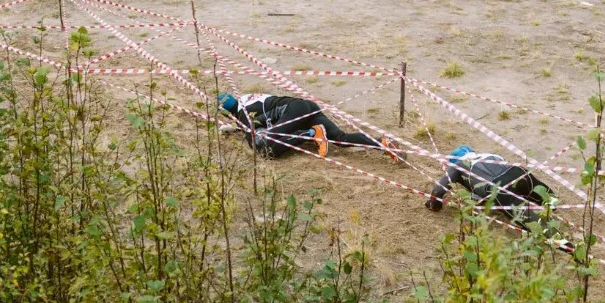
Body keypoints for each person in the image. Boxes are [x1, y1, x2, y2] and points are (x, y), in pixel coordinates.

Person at [218, 92, 399, 160]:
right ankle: (383, 143)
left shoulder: (243, 116)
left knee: (265, 150)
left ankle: (311, 133)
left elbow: (255, 140)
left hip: (293, 112)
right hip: (305, 106)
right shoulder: (246, 98)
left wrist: (242, 130)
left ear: (226, 113)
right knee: (341, 139)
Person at [425, 145, 555, 227]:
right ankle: (553, 204)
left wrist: (434, 204)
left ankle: (555, 237)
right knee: (545, 196)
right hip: (517, 172)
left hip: (496, 186)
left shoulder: (458, 165)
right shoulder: (490, 155)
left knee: (533, 223)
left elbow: (438, 190)